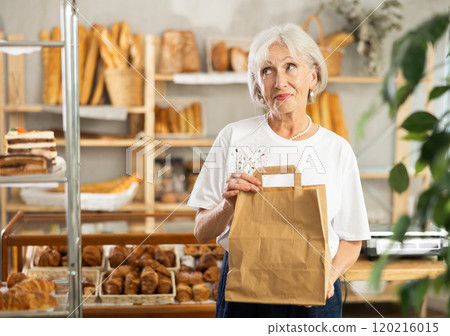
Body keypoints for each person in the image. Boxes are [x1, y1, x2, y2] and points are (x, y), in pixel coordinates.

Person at [187, 23, 371, 318]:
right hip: (245, 291)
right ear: (258, 84)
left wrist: (327, 278)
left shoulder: (337, 149)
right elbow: (200, 232)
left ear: (313, 76)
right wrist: (227, 205)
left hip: (314, 294)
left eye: (290, 67)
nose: (279, 81)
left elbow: (352, 239)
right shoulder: (233, 137)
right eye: (267, 71)